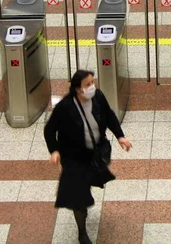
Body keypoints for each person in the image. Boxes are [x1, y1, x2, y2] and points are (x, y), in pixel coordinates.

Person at [44, 70, 132, 244]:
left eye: (93, 82)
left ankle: (86, 186)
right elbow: (49, 130)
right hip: (73, 157)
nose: (92, 87)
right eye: (88, 84)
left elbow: (109, 115)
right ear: (78, 89)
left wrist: (120, 136)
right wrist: (54, 150)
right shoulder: (65, 107)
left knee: (90, 179)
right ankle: (82, 232)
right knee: (79, 197)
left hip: (95, 152)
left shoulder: (98, 97)